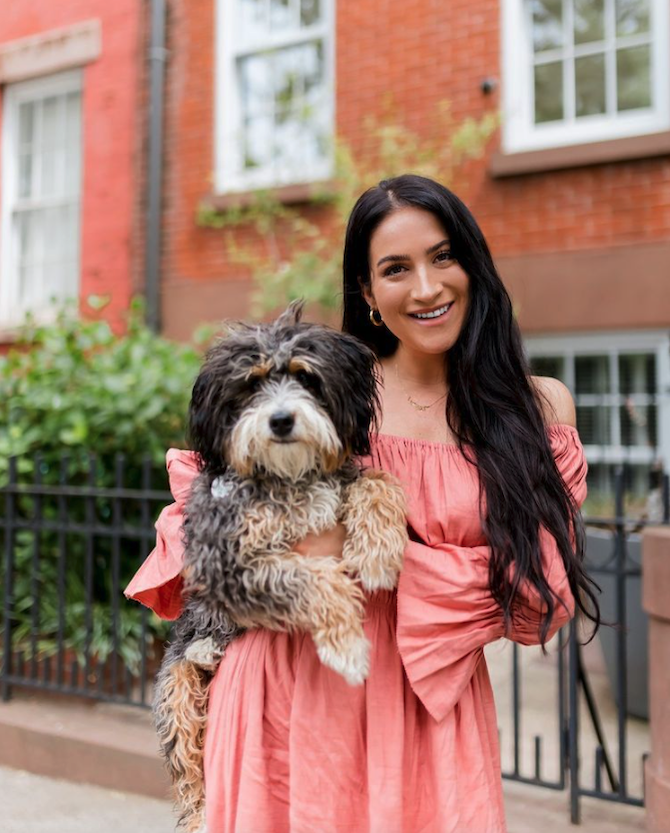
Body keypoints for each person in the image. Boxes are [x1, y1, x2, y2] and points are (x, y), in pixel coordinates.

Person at [125, 173, 599, 833]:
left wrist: (382, 556)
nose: (427, 287)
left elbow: (537, 598)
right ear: (369, 293)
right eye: (396, 269)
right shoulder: (321, 390)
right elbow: (202, 535)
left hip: (432, 711)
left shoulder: (536, 408)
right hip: (284, 694)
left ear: (474, 264)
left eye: (443, 256)